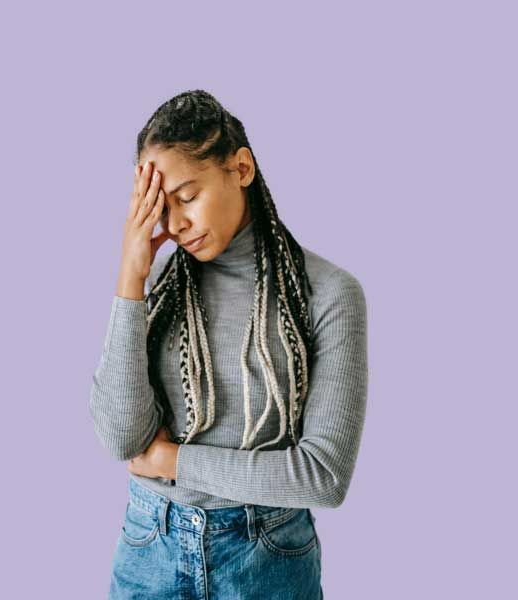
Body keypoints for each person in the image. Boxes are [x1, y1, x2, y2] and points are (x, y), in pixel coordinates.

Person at [89, 90, 368, 599]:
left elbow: (323, 476)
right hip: (150, 551)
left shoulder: (327, 293)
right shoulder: (159, 291)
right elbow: (121, 439)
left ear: (241, 168)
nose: (175, 225)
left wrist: (172, 462)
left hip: (267, 561)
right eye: (161, 208)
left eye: (187, 197)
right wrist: (130, 277)